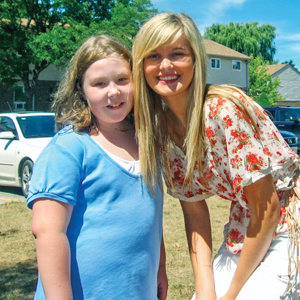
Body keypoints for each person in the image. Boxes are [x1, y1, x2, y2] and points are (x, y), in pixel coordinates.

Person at [132, 12, 300, 300]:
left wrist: (231, 294)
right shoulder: (159, 132)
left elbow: (268, 208)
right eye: (153, 56)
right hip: (247, 221)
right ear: (141, 65)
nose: (166, 65)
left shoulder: (223, 110)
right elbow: (194, 211)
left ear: (196, 61)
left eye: (177, 53)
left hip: (288, 216)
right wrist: (206, 290)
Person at [27, 35, 168, 300]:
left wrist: (160, 267)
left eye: (122, 80)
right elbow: (48, 233)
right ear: (81, 90)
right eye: (99, 84)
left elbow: (151, 219)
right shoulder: (69, 147)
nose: (113, 91)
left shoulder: (148, 144)